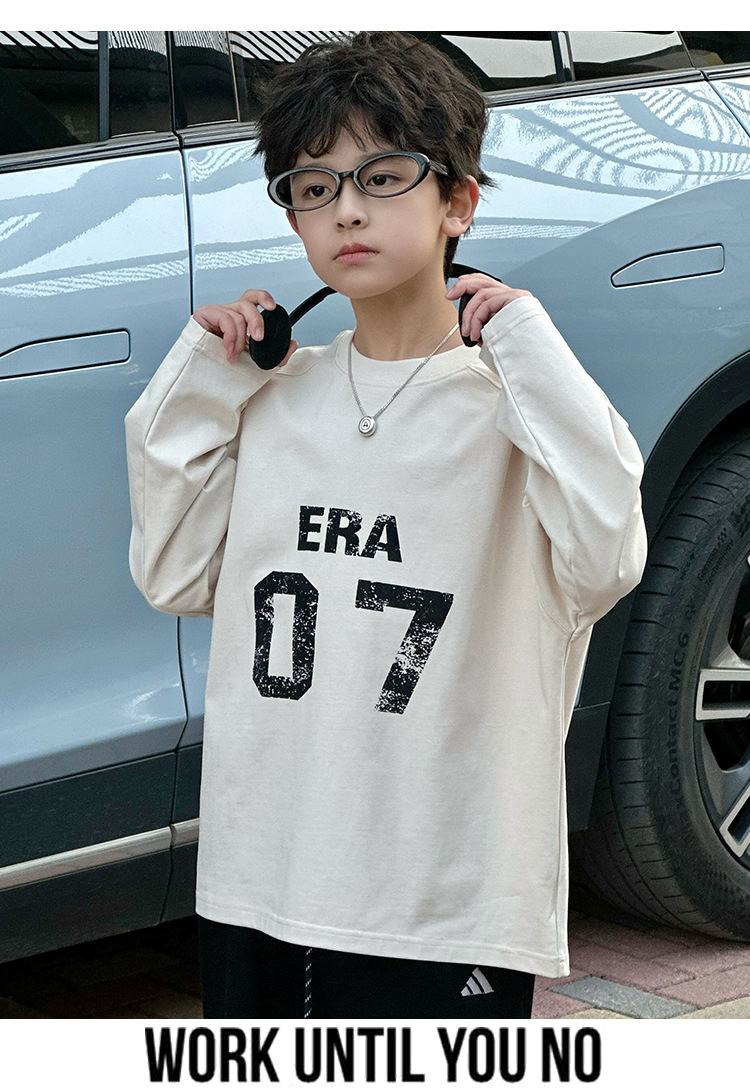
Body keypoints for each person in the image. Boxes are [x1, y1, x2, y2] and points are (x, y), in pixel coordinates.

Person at [124, 31, 648, 1019]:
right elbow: (175, 573)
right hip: (262, 876)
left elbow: (606, 553)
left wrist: (526, 341)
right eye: (312, 186)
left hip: (443, 895)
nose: (347, 210)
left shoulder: (512, 409)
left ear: (458, 201)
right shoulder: (276, 398)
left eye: (382, 175)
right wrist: (201, 380)